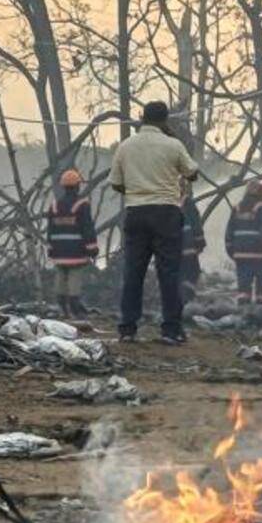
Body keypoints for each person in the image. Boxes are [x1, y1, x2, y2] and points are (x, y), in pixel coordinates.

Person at [108, 100, 199, 344]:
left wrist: (137, 189)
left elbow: (116, 183)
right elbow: (192, 173)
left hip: (136, 212)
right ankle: (171, 329)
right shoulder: (173, 144)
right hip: (166, 213)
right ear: (165, 120)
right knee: (169, 273)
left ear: (142, 118)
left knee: (133, 272)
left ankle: (127, 329)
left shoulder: (126, 146)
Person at [45, 169, 99, 317]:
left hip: (58, 251)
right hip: (76, 252)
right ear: (77, 186)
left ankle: (62, 306)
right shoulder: (82, 205)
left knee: (60, 276)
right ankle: (75, 307)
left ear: (63, 186)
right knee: (74, 277)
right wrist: (92, 248)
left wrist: (50, 248)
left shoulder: (54, 205)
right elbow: (87, 228)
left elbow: (50, 230)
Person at [226, 183, 262, 305]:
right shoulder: (261, 208)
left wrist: (231, 250)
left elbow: (229, 232)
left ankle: (243, 310)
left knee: (243, 286)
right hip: (259, 255)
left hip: (241, 255)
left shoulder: (236, 208)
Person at [179, 193, 206, 302]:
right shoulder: (187, 202)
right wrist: (200, 242)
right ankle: (186, 298)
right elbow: (196, 224)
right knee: (192, 272)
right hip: (187, 247)